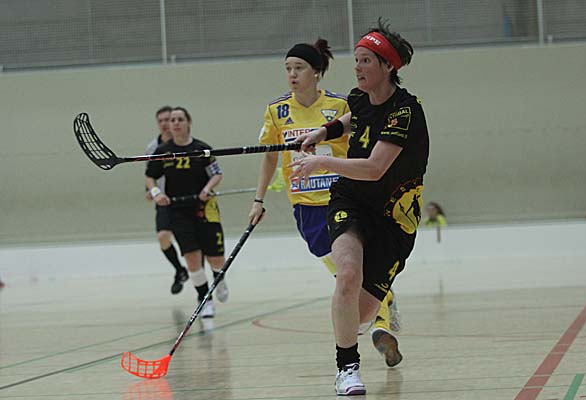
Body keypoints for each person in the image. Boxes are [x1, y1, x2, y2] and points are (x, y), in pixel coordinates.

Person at [290, 19, 429, 396]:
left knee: (361, 316)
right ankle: (347, 369)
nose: (357, 67)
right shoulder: (360, 97)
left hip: (394, 220)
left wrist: (321, 161)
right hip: (350, 201)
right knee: (347, 274)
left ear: (388, 66)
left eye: (366, 60)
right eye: (356, 60)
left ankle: (360, 328)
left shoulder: (405, 112)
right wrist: (324, 132)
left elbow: (374, 168)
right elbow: (354, 119)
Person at [247, 38, 402, 369]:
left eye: (299, 68)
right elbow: (269, 157)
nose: (292, 74)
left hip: (343, 198)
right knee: (342, 271)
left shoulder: (341, 105)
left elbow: (365, 146)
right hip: (306, 205)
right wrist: (259, 199)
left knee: (350, 272)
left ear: (316, 72)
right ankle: (380, 303)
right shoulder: (277, 111)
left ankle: (381, 323)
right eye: (288, 68)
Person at [145, 107, 229, 318]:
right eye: (172, 120)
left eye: (180, 119)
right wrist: (156, 193)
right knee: (192, 257)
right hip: (178, 211)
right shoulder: (162, 151)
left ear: (188, 122)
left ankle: (219, 279)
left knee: (216, 259)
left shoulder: (202, 148)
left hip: (204, 208)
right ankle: (204, 300)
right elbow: (150, 177)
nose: (175, 123)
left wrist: (207, 189)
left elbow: (217, 174)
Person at [145, 106, 189, 295]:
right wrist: (151, 191)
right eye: (160, 121)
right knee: (163, 237)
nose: (164, 124)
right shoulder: (152, 148)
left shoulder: (184, 143)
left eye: (167, 120)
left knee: (191, 244)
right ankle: (179, 270)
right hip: (164, 200)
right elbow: (150, 173)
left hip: (185, 199)